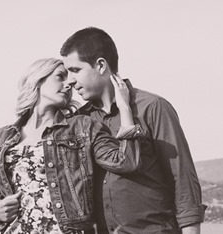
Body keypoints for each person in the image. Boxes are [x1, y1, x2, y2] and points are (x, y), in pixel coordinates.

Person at [61, 27, 207, 234]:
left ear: (101, 65)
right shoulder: (79, 121)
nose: (70, 80)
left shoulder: (152, 107)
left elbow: (182, 177)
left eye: (75, 70)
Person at [0, 58, 146, 234]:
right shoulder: (4, 136)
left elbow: (126, 162)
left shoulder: (82, 127)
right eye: (60, 76)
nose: (69, 83)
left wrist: (125, 108)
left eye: (70, 78)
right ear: (37, 80)